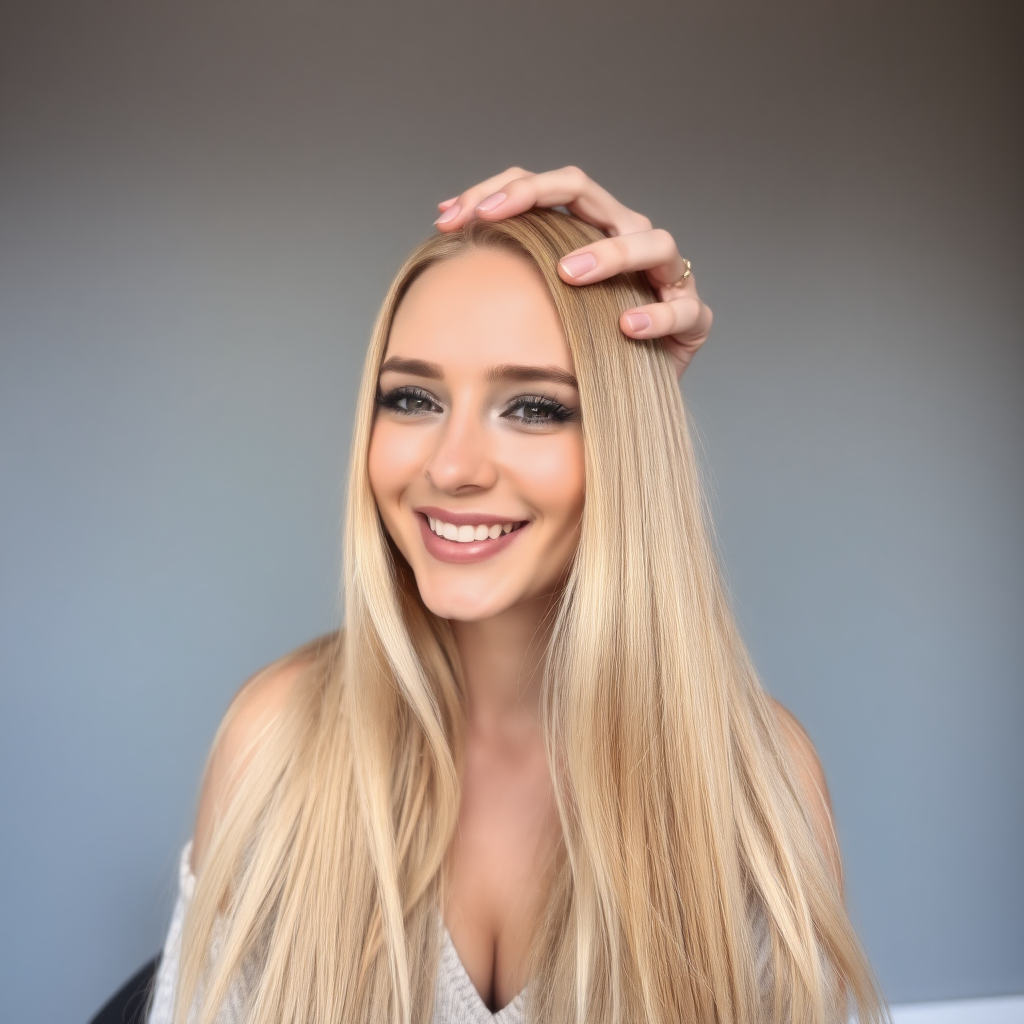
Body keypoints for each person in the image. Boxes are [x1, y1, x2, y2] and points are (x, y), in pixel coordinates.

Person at [145, 168, 883, 1024]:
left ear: (621, 444)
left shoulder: (758, 784)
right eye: (413, 398)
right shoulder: (274, 742)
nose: (451, 466)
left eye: (534, 408)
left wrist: (632, 379)